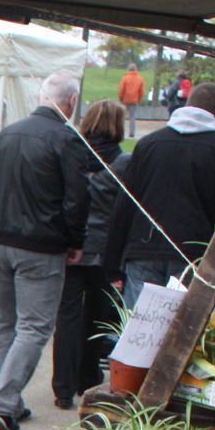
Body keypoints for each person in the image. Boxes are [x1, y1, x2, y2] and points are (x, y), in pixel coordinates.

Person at [0, 70, 88, 430]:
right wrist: (76, 240)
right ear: (71, 102)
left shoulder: (7, 134)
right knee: (34, 327)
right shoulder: (66, 139)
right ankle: (4, 400)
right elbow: (76, 198)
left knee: (4, 325)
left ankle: (9, 400)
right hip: (41, 245)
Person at [105, 82, 215, 309]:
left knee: (140, 325)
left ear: (187, 104)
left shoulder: (148, 144)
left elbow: (126, 204)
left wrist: (112, 263)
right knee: (182, 325)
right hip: (190, 250)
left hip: (143, 246)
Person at [51, 99, 129, 408]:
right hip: (105, 248)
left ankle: (62, 385)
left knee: (67, 315)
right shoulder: (123, 163)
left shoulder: (73, 154)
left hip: (73, 243)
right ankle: (87, 375)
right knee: (98, 315)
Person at [118, 62, 145, 135]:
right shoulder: (140, 78)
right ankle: (132, 132)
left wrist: (120, 98)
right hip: (134, 100)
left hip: (125, 100)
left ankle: (120, 132)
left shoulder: (125, 78)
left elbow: (121, 90)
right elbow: (141, 91)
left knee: (122, 117)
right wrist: (139, 99)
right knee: (132, 117)